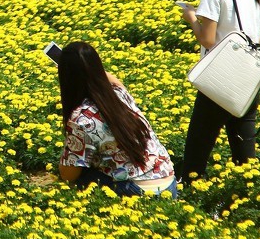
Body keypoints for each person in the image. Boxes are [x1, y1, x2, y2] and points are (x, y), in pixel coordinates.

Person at [175, 0, 260, 182]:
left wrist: (192, 17)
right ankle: (246, 197)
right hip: (249, 76)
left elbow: (207, 38)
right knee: (244, 153)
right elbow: (258, 39)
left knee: (197, 151)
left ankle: (193, 199)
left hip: (221, 76)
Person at [57, 42, 177, 198]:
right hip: (169, 185)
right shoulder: (119, 94)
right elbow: (113, 81)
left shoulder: (81, 119)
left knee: (82, 176)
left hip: (137, 192)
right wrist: (90, 68)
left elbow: (68, 175)